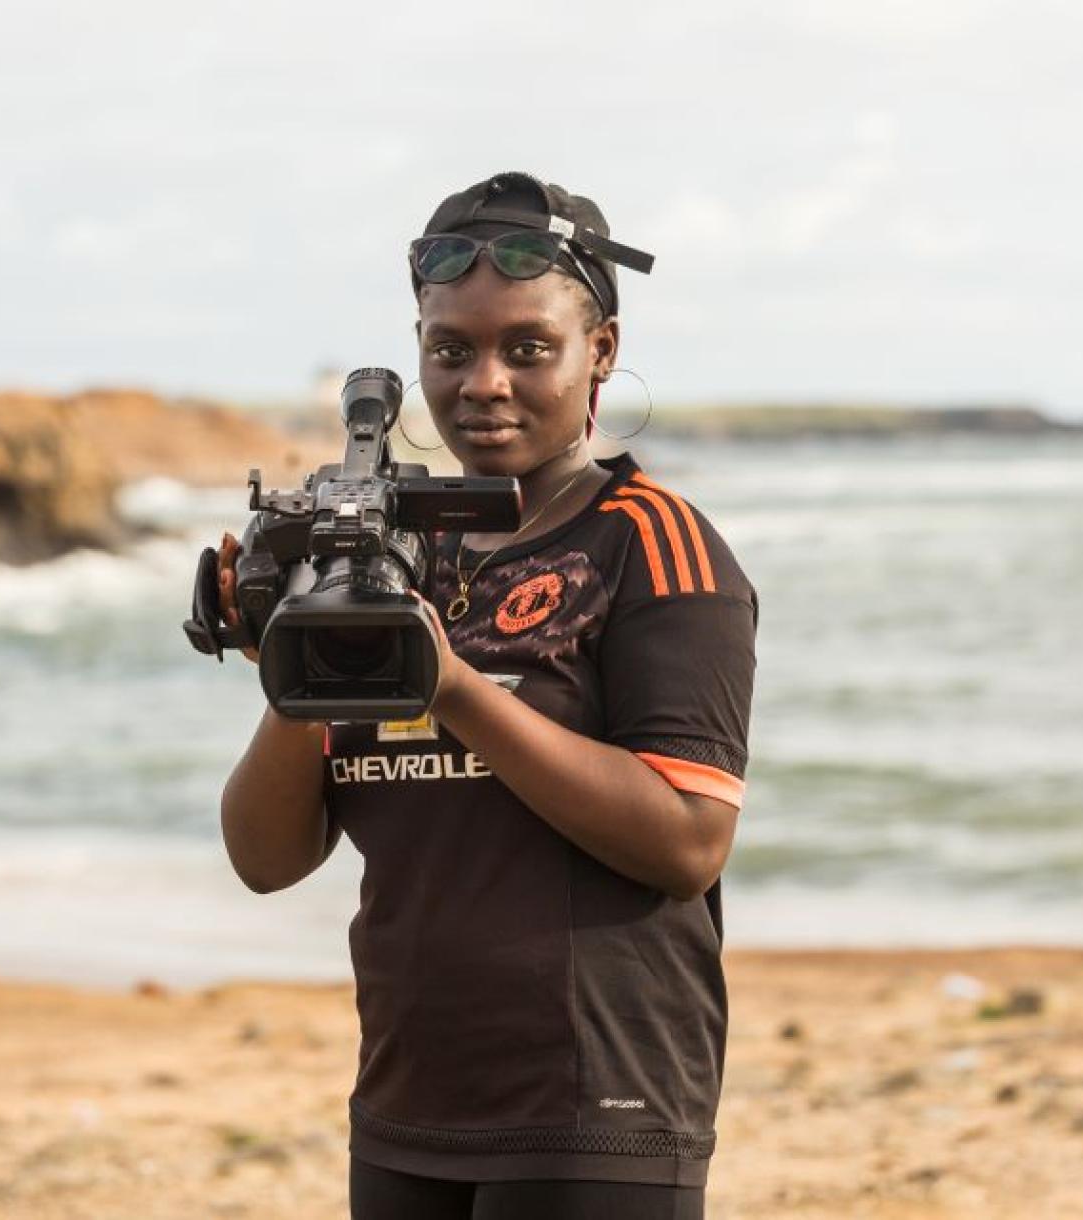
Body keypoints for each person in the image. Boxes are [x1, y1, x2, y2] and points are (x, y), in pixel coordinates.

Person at [213, 172, 757, 1219]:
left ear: (601, 351)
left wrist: (449, 685)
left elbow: (689, 840)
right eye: (451, 350)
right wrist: (306, 657)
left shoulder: (652, 543)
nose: (485, 384)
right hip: (409, 1100)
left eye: (529, 348)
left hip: (597, 1108)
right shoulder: (384, 564)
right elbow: (265, 860)